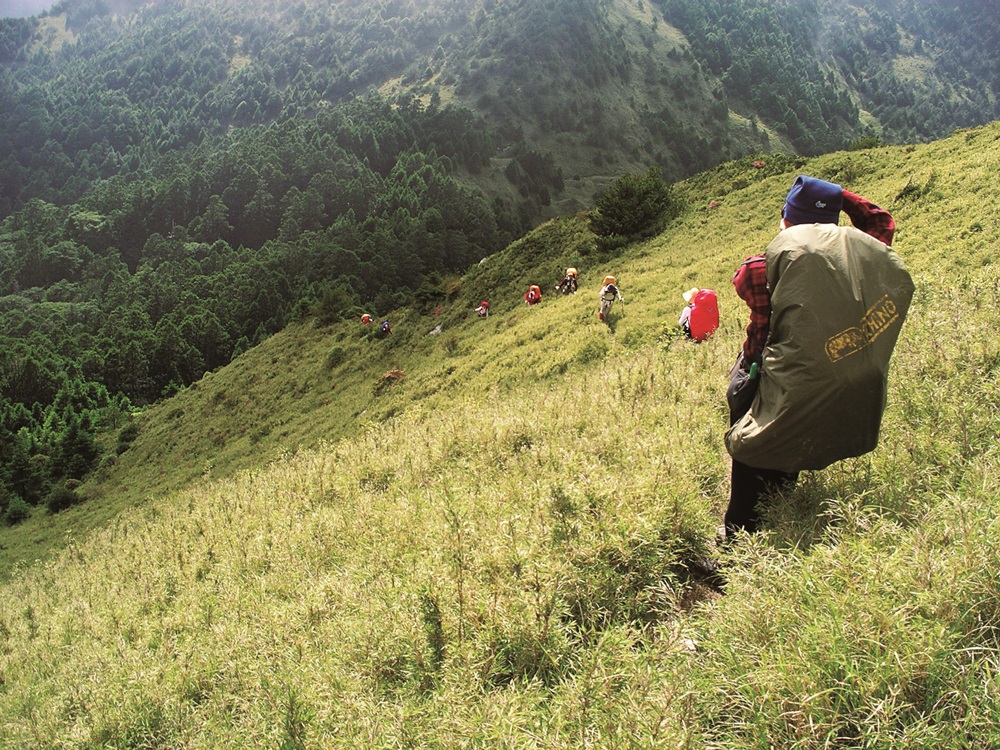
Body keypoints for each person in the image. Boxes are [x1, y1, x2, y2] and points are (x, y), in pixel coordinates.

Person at [724, 174, 913, 537]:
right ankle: (779, 508)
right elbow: (880, 222)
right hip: (825, 377)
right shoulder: (858, 260)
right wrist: (838, 197)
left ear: (786, 219)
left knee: (749, 456)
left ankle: (736, 543)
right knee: (790, 444)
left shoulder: (760, 268)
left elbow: (743, 282)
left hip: (765, 377)